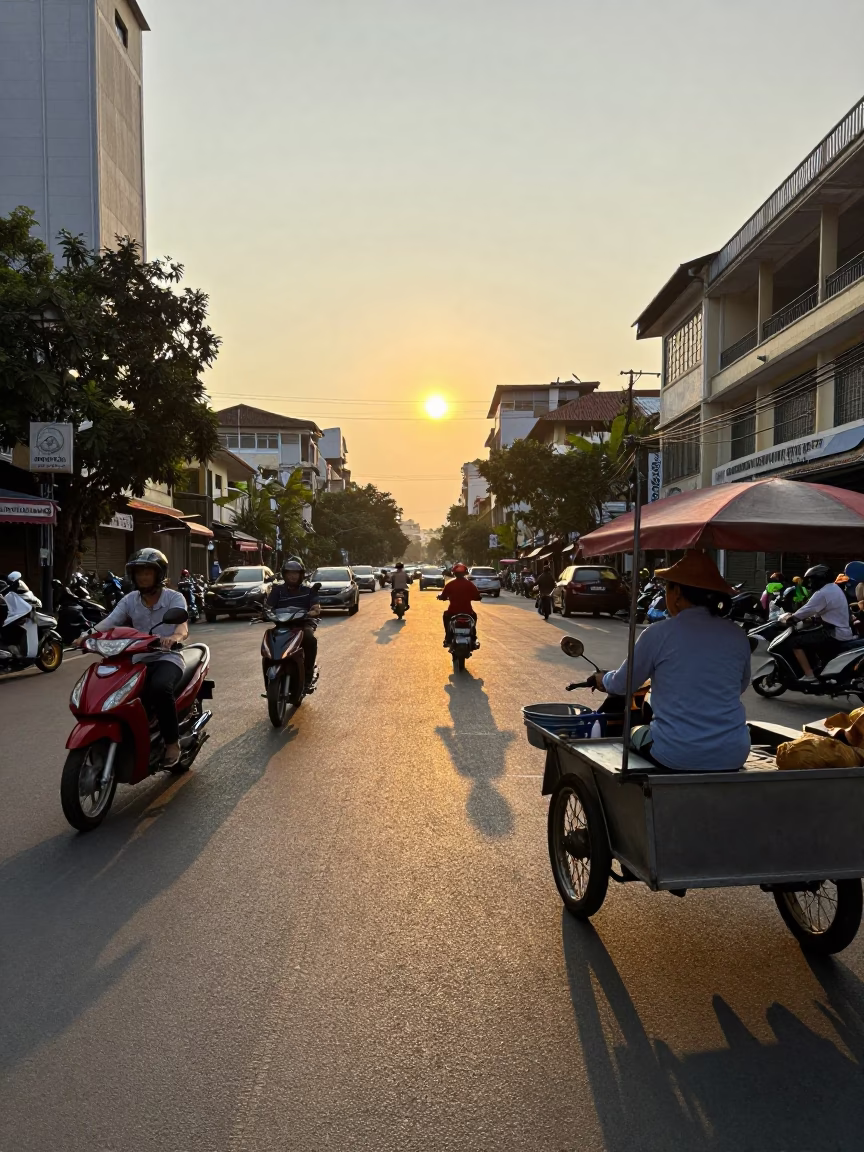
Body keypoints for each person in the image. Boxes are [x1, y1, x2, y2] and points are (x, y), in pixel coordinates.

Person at [587, 551, 751, 772]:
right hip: (734, 752)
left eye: (667, 587)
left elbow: (621, 685)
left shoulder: (658, 633)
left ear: (677, 593)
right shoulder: (737, 634)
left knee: (635, 732)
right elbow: (739, 686)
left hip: (676, 753)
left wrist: (602, 678)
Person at [80, 548, 189, 768]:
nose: (142, 577)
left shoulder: (174, 597)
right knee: (116, 691)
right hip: (137, 659)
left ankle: (171, 742)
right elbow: (110, 622)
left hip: (167, 657)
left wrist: (174, 637)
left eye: (147, 572)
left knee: (159, 688)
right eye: (139, 573)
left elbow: (182, 626)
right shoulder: (130, 600)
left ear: (158, 575)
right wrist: (86, 636)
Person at [780, 564, 853, 682]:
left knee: (795, 642)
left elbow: (806, 610)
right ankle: (817, 667)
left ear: (820, 579)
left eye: (812, 580)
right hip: (841, 630)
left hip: (833, 633)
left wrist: (792, 618)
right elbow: (821, 612)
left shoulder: (823, 593)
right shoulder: (834, 588)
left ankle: (809, 675)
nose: (811, 583)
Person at [267, 559, 321, 686]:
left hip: (303, 624)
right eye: (289, 573)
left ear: (301, 575)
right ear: (284, 574)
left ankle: (308, 676)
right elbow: (268, 606)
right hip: (282, 624)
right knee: (270, 638)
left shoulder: (309, 590)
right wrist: (264, 613)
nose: (292, 576)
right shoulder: (277, 590)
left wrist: (313, 611)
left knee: (310, 639)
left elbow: (316, 607)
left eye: (295, 573)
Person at [439, 562, 481, 645]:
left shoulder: (450, 584)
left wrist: (441, 597)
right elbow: (477, 596)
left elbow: (443, 596)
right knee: (474, 617)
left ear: (454, 574)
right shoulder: (470, 584)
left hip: (452, 612)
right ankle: (473, 637)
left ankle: (448, 637)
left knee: (445, 616)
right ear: (465, 574)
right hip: (468, 612)